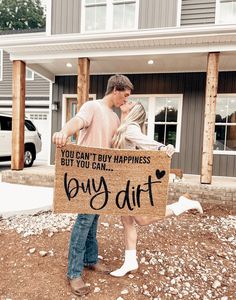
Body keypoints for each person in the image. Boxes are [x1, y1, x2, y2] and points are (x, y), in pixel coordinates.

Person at [52, 74, 134, 296]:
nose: (124, 101)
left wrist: (126, 115)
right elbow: (77, 122)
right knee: (84, 220)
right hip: (86, 176)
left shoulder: (116, 118)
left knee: (94, 217)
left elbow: (118, 144)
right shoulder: (92, 107)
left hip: (103, 177)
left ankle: (90, 259)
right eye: (124, 96)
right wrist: (63, 133)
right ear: (115, 89)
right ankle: (74, 272)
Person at [110, 101, 203, 277]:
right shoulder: (123, 125)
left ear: (134, 110)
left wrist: (162, 148)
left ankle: (183, 204)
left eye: (130, 102)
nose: (126, 101)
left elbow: (147, 143)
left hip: (131, 182)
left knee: (142, 220)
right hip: (123, 181)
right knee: (127, 221)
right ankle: (130, 262)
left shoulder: (130, 127)